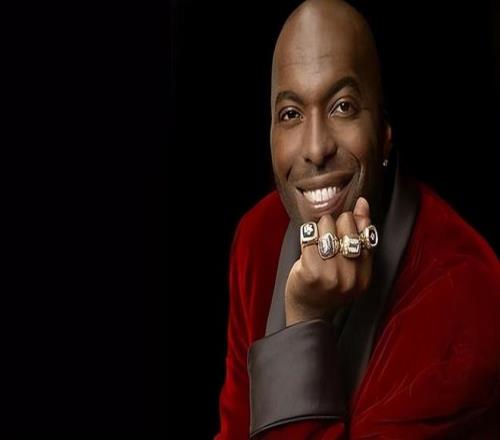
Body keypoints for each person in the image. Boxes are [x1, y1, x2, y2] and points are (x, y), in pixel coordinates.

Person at [215, 0, 500, 438]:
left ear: (384, 132)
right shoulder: (258, 238)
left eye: (342, 107)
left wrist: (304, 319)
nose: (315, 149)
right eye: (290, 114)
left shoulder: (467, 295)